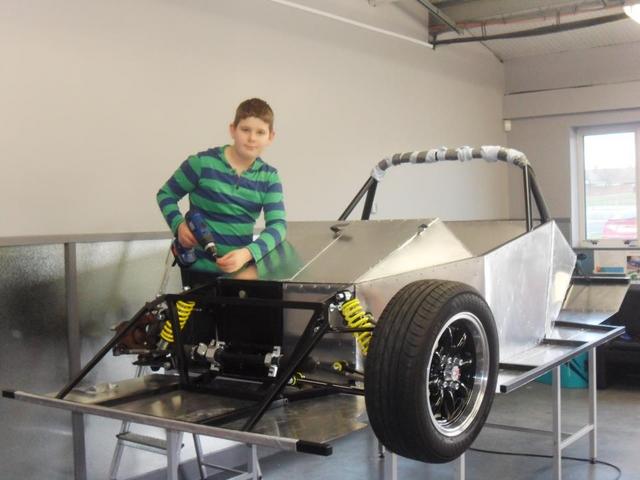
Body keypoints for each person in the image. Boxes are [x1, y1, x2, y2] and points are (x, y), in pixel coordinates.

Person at [156, 98, 286, 281]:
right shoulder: (201, 164)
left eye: (260, 132)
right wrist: (179, 225)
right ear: (233, 129)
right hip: (196, 270)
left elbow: (278, 226)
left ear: (271, 137)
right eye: (245, 129)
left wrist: (247, 254)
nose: (252, 138)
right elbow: (166, 194)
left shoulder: (269, 177)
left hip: (238, 273)